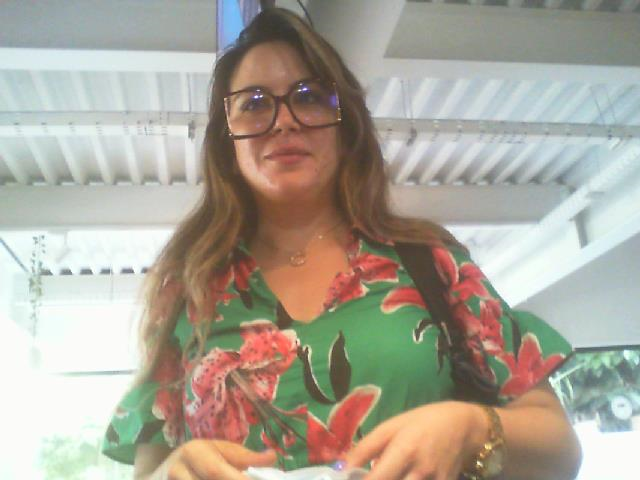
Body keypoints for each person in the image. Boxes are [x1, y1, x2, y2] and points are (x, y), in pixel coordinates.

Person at [102, 7, 582, 480]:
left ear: (345, 126)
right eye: (254, 103)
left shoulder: (430, 262)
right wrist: (172, 471)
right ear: (228, 143)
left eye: (309, 97)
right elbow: (148, 472)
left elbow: (561, 450)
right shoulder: (188, 289)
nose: (284, 121)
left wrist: (472, 427)